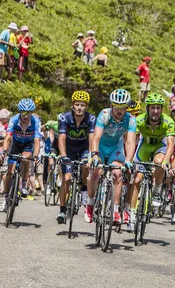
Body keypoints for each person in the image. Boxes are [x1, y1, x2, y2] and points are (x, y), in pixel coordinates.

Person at [86, 89, 136, 225]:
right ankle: (90, 204)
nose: (119, 111)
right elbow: (95, 138)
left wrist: (129, 160)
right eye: (116, 107)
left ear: (127, 107)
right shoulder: (104, 114)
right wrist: (94, 155)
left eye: (123, 108)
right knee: (96, 171)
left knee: (118, 173)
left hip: (115, 148)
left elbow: (131, 141)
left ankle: (115, 210)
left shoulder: (130, 119)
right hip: (101, 146)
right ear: (111, 105)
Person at [129, 93, 175, 231]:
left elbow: (170, 144)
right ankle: (132, 216)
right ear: (148, 108)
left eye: (158, 108)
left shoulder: (168, 121)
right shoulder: (139, 120)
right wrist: (130, 158)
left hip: (160, 147)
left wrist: (167, 160)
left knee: (159, 161)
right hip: (144, 147)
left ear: (161, 109)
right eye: (153, 108)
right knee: (137, 181)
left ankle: (156, 191)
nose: (155, 111)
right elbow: (132, 140)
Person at [56, 91, 96, 224]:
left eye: (82, 105)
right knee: (66, 178)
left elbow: (91, 139)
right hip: (69, 148)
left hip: (84, 148)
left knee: (86, 166)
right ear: (72, 105)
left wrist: (91, 155)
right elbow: (61, 138)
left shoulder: (91, 119)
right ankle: (62, 210)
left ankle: (84, 189)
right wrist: (63, 156)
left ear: (86, 106)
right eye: (77, 105)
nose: (79, 108)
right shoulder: (64, 117)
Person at [0, 99, 42, 212]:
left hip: (28, 144)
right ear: (20, 111)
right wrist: (3, 151)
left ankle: (23, 184)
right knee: (9, 173)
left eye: (29, 112)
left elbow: (37, 141)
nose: (26, 115)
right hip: (16, 144)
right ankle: (6, 197)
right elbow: (7, 138)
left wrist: (36, 156)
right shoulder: (14, 119)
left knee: (26, 158)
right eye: (24, 112)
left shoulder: (36, 121)